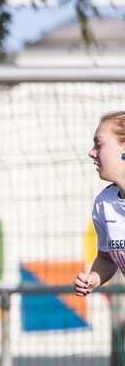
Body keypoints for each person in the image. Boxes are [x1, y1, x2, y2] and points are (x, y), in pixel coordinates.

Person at [75, 111, 125, 301]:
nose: (91, 152)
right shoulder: (104, 203)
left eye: (99, 144)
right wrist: (93, 279)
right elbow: (106, 258)